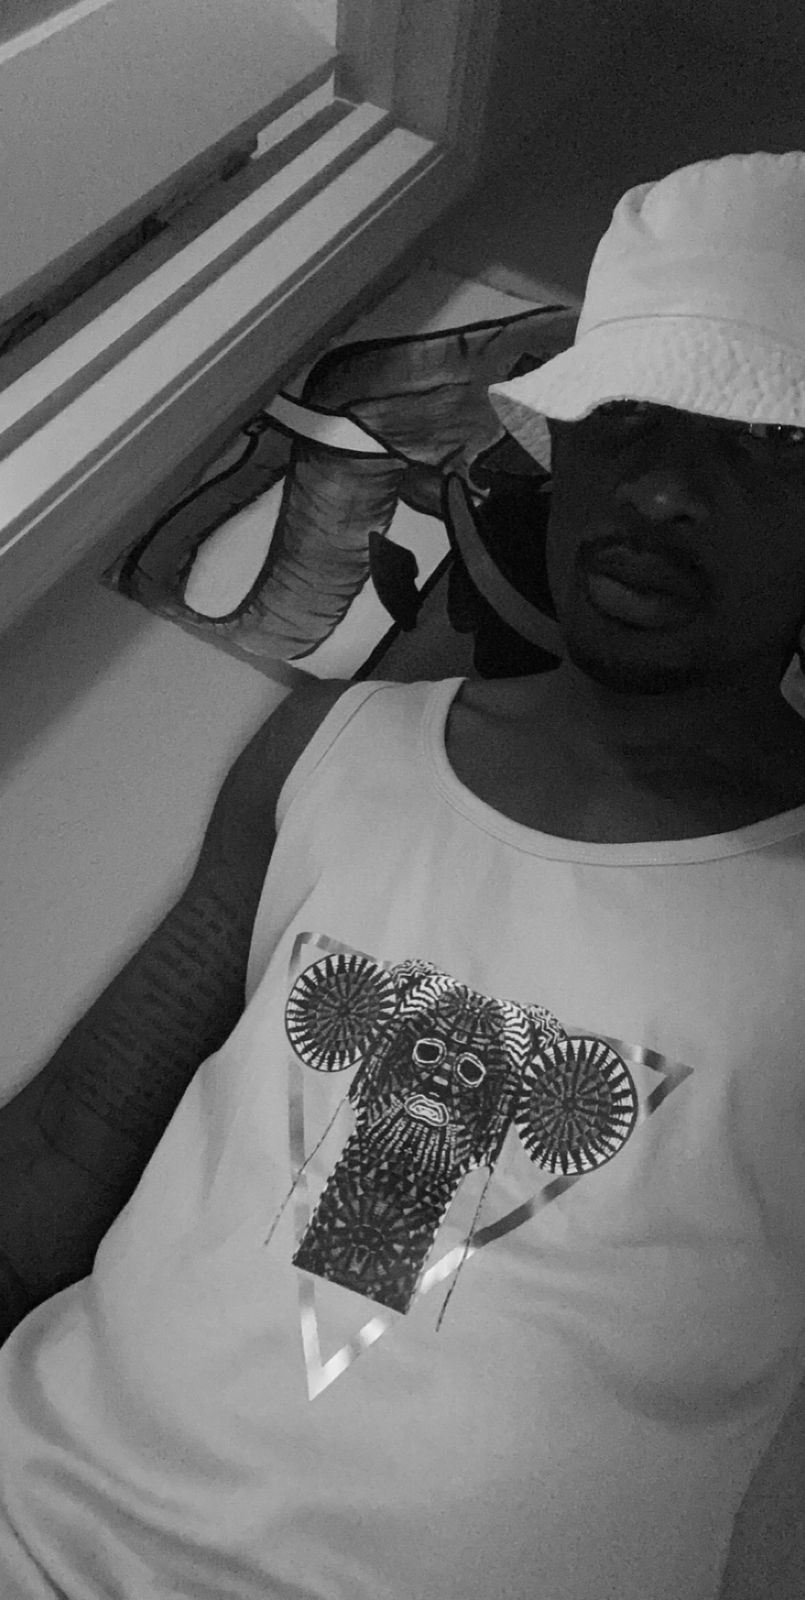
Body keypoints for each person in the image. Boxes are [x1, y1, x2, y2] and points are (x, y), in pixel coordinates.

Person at [2, 150, 805, 1600]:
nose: (664, 493)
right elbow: (73, 1140)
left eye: (765, 446)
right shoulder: (333, 747)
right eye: (628, 417)